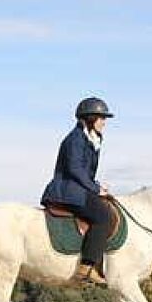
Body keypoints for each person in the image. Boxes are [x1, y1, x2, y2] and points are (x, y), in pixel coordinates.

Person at [41, 97, 115, 285]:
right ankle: (87, 266)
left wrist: (98, 186)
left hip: (79, 188)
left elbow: (85, 172)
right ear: (90, 118)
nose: (104, 122)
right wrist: (95, 188)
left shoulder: (90, 139)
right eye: (101, 118)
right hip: (67, 190)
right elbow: (74, 169)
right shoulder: (75, 139)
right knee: (103, 216)